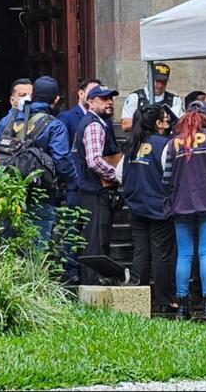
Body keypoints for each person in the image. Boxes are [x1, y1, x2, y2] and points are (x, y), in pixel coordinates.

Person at [0, 76, 78, 248]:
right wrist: (74, 181)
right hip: (40, 194)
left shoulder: (9, 119)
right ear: (56, 100)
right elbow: (62, 160)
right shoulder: (55, 125)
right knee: (35, 249)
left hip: (7, 192)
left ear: (32, 96)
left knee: (5, 247)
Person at [164, 100, 206, 319]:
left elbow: (166, 178)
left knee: (184, 254)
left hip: (181, 203)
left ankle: (182, 305)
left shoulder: (174, 143)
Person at [122, 105, 174, 313]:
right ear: (157, 124)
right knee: (161, 255)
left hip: (136, 206)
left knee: (141, 253)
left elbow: (121, 174)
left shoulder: (133, 143)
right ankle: (163, 300)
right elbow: (170, 176)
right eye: (166, 119)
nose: (169, 121)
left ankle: (138, 297)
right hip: (159, 207)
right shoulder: (165, 145)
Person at [72, 84, 121, 284]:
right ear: (90, 102)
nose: (109, 102)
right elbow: (94, 160)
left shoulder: (95, 122)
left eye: (110, 98)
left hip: (90, 191)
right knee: (96, 242)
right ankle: (93, 288)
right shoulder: (93, 124)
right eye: (103, 99)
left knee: (93, 240)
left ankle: (92, 285)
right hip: (95, 192)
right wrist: (116, 174)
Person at [120, 63, 183, 132]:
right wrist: (152, 122)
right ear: (149, 79)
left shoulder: (175, 100)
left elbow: (182, 125)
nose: (160, 85)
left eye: (164, 82)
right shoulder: (135, 98)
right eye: (157, 81)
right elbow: (126, 125)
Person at [0, 78, 33, 147]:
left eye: (31, 95)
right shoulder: (5, 122)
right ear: (12, 100)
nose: (28, 98)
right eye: (22, 95)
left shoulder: (39, 118)